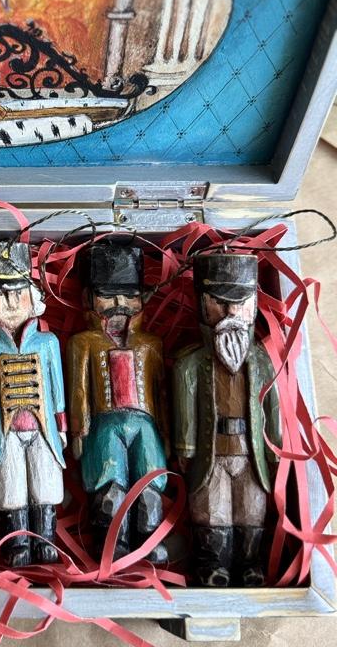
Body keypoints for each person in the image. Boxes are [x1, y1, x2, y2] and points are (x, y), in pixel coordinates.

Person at [173, 252, 281, 587]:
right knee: (211, 509)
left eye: (240, 302)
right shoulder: (190, 363)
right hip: (213, 452)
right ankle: (213, 565)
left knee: (251, 508)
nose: (231, 312)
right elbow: (186, 409)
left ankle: (250, 564)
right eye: (219, 303)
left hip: (250, 453)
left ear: (254, 305)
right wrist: (186, 448)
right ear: (202, 304)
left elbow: (273, 407)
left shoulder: (262, 360)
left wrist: (275, 448)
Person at [0, 241, 66, 567]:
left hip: (43, 430)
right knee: (9, 487)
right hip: (3, 433)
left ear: (33, 296)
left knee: (45, 484)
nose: (12, 301)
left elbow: (57, 388)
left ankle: (46, 538)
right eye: (1, 292)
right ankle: (17, 542)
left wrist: (62, 425)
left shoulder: (47, 343)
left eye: (18, 291)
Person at [67, 244, 169, 563]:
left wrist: (167, 433)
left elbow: (161, 392)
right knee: (109, 485)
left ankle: (148, 539)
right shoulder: (83, 342)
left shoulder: (151, 344)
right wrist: (79, 430)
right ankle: (113, 540)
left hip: (146, 425)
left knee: (150, 482)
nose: (120, 304)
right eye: (108, 297)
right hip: (104, 424)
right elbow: (79, 389)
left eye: (130, 296)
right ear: (88, 298)